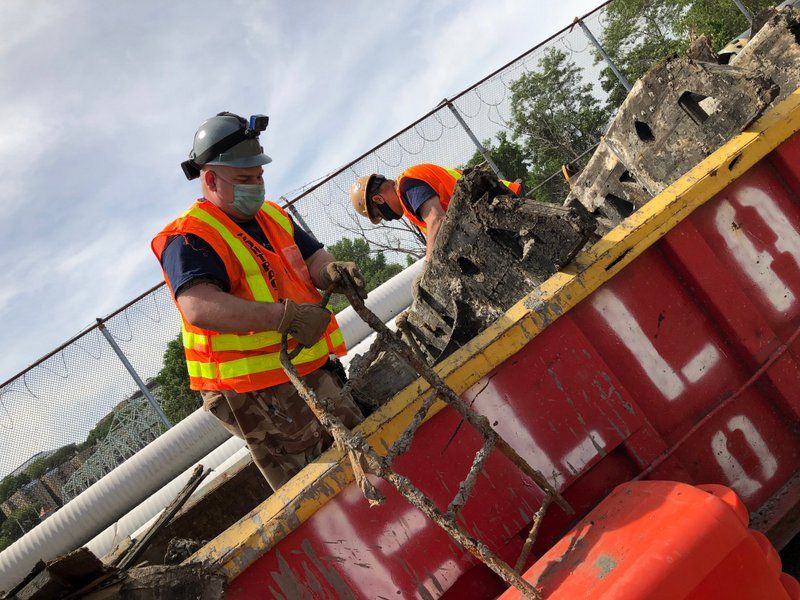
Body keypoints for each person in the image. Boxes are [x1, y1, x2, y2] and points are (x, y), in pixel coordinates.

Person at [152, 112, 366, 491]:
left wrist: (332, 271)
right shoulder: (189, 237)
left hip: (305, 365)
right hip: (254, 390)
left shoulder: (271, 216)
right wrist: (285, 318)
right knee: (318, 484)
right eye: (245, 179)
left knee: (361, 445)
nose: (257, 185)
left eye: (259, 176)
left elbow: (313, 257)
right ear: (211, 179)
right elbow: (198, 307)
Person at [349, 163, 522, 258]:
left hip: (504, 212)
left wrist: (430, 264)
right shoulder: (409, 202)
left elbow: (437, 219)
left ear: (378, 200)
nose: (388, 218)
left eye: (380, 214)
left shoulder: (407, 185)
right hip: (499, 214)